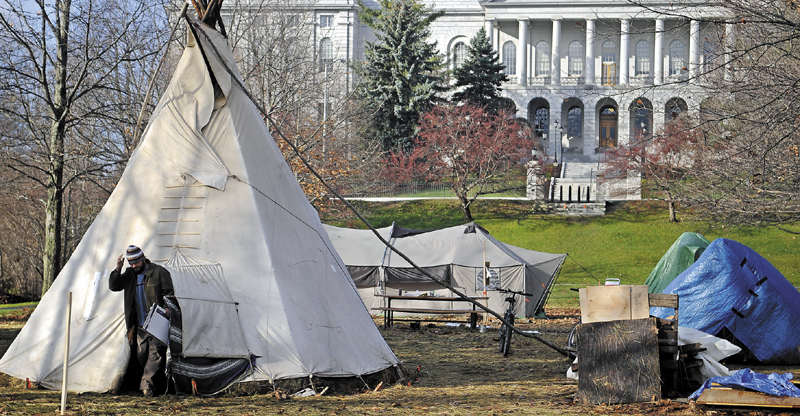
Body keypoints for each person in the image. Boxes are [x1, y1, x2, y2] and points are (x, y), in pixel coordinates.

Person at [109, 245, 174, 397]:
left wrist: (167, 309)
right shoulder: (130, 273)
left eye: (136, 262)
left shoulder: (159, 272)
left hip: (157, 321)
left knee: (155, 354)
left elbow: (169, 294)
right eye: (131, 263)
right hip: (139, 324)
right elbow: (114, 286)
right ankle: (154, 385)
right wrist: (118, 270)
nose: (134, 266)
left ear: (143, 258)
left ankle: (147, 388)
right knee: (141, 355)